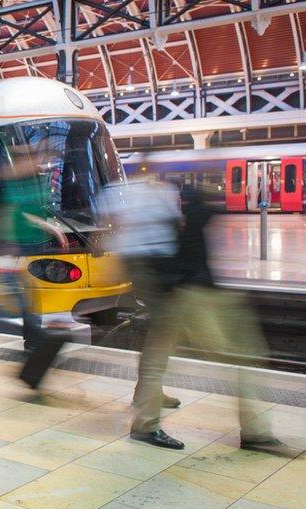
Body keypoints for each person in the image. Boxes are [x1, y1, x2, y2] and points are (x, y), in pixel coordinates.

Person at [167, 182, 283, 452]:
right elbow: (205, 213)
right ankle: (257, 434)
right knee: (242, 359)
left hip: (199, 294)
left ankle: (258, 432)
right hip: (192, 299)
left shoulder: (181, 222)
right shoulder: (186, 222)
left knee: (245, 358)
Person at [97, 164, 185, 450]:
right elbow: (177, 225)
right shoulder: (161, 192)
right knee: (162, 337)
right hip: (150, 265)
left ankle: (147, 395)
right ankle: (146, 421)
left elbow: (109, 221)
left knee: (162, 335)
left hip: (147, 265)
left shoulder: (123, 191)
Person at [0, 145, 68, 355]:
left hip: (29, 246)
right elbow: (19, 215)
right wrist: (51, 228)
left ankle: (32, 343)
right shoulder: (13, 182)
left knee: (32, 299)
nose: (38, 163)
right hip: (19, 249)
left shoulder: (33, 182)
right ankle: (34, 344)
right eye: (32, 159)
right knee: (29, 300)